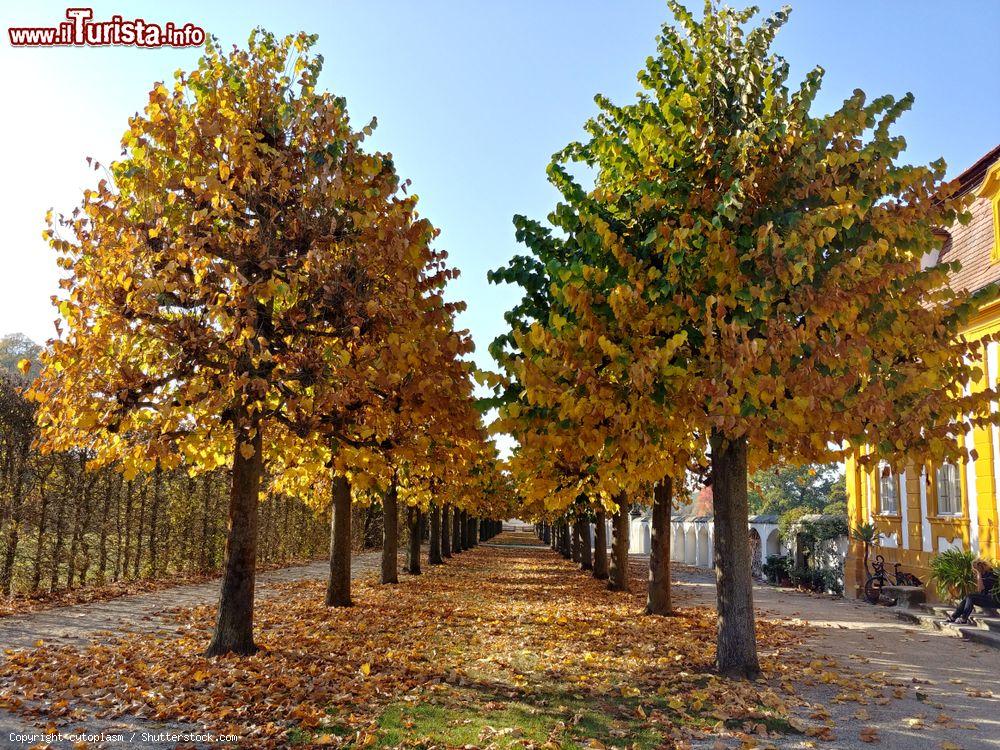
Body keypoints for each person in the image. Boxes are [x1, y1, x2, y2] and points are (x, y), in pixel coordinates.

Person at [947, 560, 999, 624]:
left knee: (970, 597)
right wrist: (979, 575)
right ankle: (954, 617)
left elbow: (981, 589)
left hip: (995, 600)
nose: (973, 571)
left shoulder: (991, 575)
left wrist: (978, 574)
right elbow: (980, 591)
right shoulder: (983, 575)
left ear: (980, 567)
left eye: (975, 569)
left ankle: (963, 618)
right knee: (968, 596)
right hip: (988, 598)